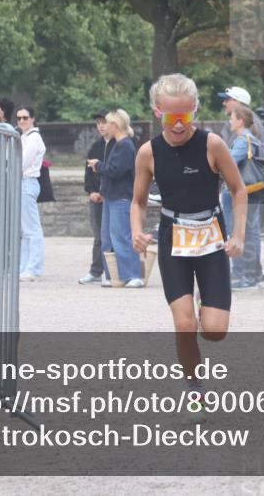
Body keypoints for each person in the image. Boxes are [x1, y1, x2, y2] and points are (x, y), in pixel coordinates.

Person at [131, 74, 247, 399]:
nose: (179, 126)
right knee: (183, 326)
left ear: (195, 110)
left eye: (185, 117)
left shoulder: (213, 144)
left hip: (211, 236)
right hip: (174, 236)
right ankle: (194, 387)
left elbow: (239, 190)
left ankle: (203, 310)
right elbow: (138, 201)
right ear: (158, 112)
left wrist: (237, 235)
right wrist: (137, 231)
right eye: (171, 118)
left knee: (214, 332)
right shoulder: (148, 153)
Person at [90, 109, 144, 287]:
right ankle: (112, 274)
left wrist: (98, 165)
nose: (105, 126)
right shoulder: (117, 144)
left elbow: (116, 170)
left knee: (122, 237)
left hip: (121, 198)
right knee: (107, 238)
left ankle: (134, 274)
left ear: (116, 125)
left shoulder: (125, 145)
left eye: (109, 122)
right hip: (110, 197)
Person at [217, 86, 264, 254]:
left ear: (237, 103)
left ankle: (248, 272)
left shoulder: (245, 130)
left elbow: (228, 160)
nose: (224, 103)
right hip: (243, 185)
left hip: (243, 186)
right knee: (247, 228)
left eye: (227, 100)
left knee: (245, 229)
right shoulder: (249, 124)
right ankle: (249, 272)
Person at [228, 105, 264, 288]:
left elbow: (229, 163)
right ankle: (254, 274)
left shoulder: (243, 140)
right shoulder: (253, 139)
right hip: (254, 190)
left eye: (232, 118)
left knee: (246, 233)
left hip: (245, 193)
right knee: (251, 232)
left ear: (240, 121)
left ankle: (247, 276)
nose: (230, 121)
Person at [79, 109, 109, 285]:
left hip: (112, 198)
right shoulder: (95, 147)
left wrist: (106, 193)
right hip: (96, 198)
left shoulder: (119, 145)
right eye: (98, 123)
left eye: (103, 122)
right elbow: (88, 174)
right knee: (98, 236)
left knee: (113, 236)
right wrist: (92, 192)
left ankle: (113, 271)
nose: (101, 126)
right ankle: (96, 270)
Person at [17, 106, 46, 282]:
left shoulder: (34, 138)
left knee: (31, 229)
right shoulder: (24, 137)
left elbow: (22, 162)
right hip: (22, 182)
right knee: (25, 229)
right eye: (19, 118)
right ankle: (24, 267)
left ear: (33, 119)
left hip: (27, 181)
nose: (21, 121)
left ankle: (33, 267)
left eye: (25, 118)